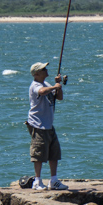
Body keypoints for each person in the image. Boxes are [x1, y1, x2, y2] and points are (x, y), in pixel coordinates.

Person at [26, 61, 68, 191]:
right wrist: (55, 86)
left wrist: (58, 85)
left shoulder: (47, 84)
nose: (46, 70)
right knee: (38, 153)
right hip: (38, 124)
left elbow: (59, 98)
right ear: (37, 73)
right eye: (43, 69)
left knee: (54, 153)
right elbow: (43, 92)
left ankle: (53, 180)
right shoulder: (35, 85)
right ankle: (37, 181)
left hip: (48, 125)